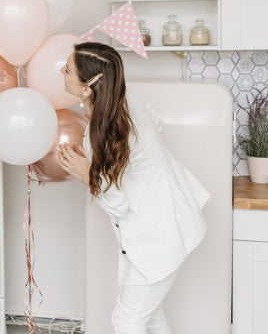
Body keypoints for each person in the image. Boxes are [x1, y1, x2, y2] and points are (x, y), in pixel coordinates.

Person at [58, 42, 209, 334]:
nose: (61, 71)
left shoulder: (100, 134)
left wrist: (85, 173)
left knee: (127, 320)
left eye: (67, 69)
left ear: (87, 88)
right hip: (172, 223)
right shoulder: (128, 101)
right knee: (149, 315)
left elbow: (118, 205)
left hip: (160, 237)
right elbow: (157, 123)